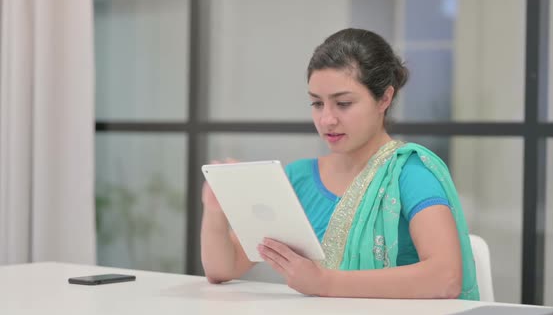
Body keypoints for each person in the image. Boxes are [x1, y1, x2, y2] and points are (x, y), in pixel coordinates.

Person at [200, 28, 479, 300]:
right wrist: (215, 212)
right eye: (317, 104)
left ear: (384, 98)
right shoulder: (299, 178)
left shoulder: (409, 173)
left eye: (343, 103)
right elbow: (224, 268)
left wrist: (325, 282)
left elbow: (446, 277)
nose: (327, 120)